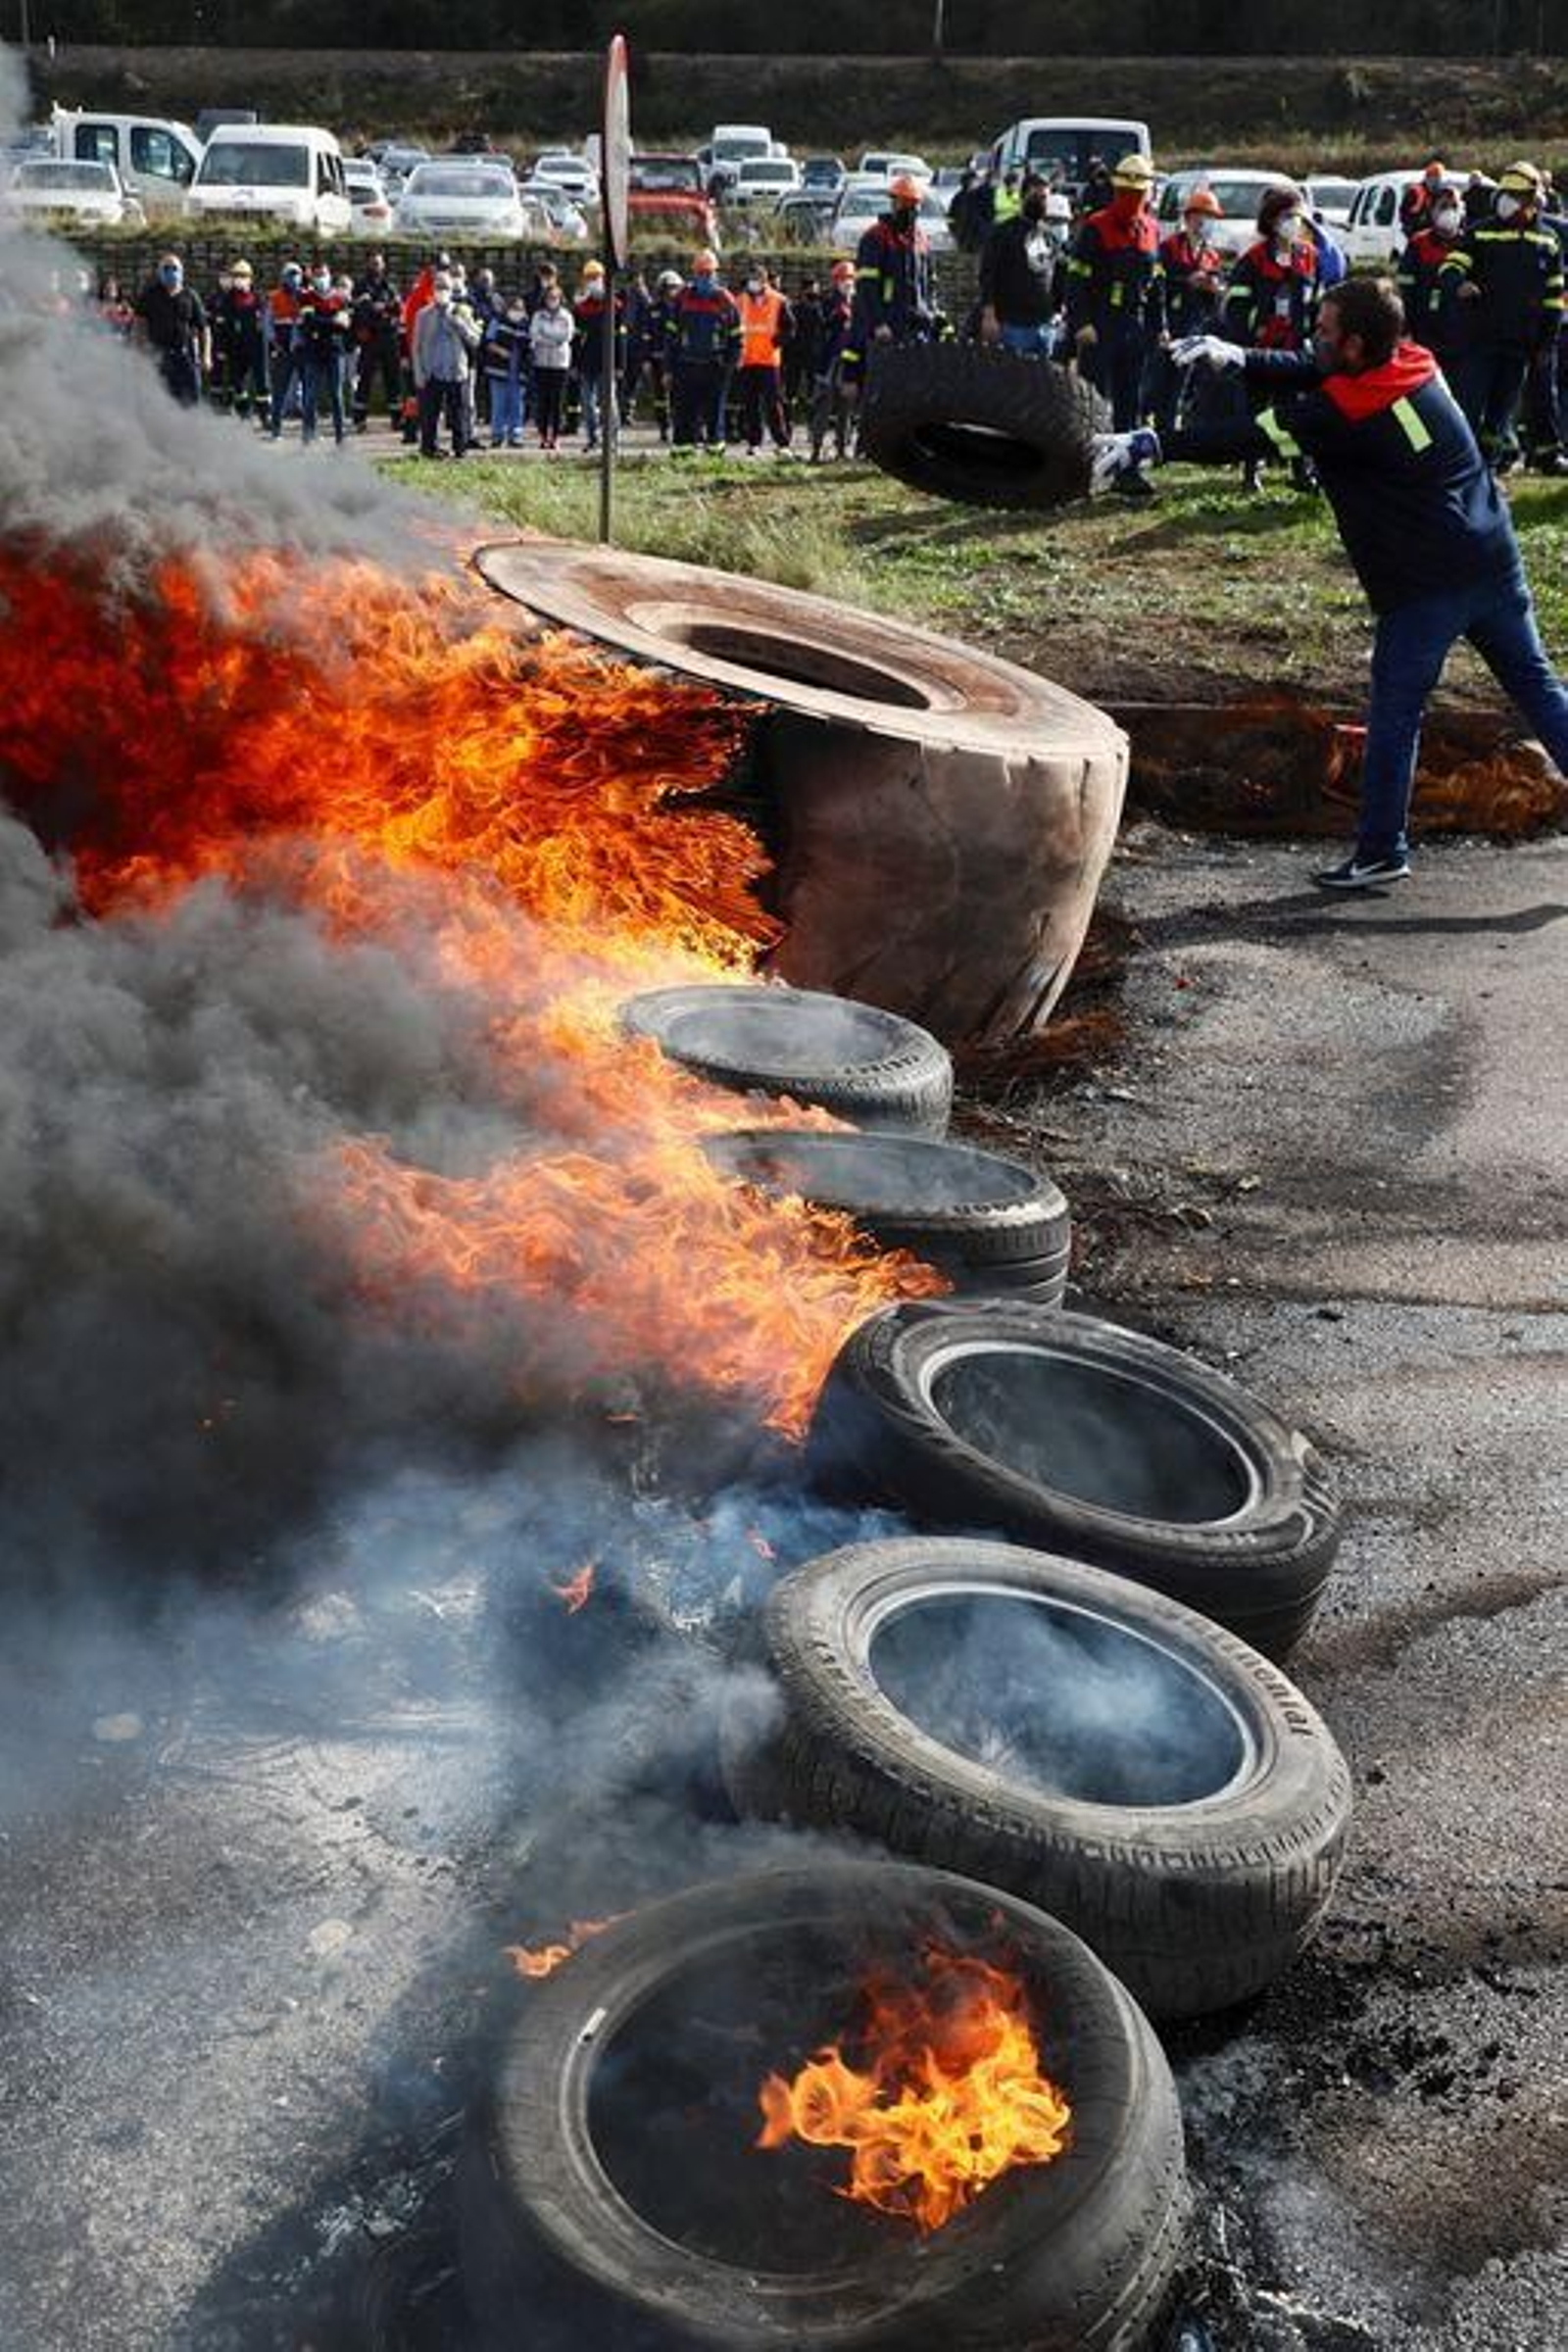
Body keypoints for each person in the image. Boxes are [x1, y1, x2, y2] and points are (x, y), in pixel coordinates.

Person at [1095, 275, 1568, 889]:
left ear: (1356, 344)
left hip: (1425, 586)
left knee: (1396, 717)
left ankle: (1380, 851)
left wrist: (1153, 442)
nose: (1312, 337)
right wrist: (1242, 358)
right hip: (1492, 561)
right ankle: (1381, 847)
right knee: (1538, 690)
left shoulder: (1347, 415)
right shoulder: (1416, 361)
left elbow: (1252, 435)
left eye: (1324, 330)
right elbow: (1318, 371)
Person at [1441, 161, 1565, 471]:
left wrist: (1545, 344)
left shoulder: (1548, 240)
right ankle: (1458, 467)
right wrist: (1459, 284)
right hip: (1480, 341)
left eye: (1514, 195)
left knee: (1500, 414)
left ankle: (1487, 466)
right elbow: (1450, 267)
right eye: (1503, 193)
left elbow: (1554, 298)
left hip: (1521, 345)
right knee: (1467, 406)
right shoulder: (1481, 233)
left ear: (1532, 201)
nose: (1505, 200)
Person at [1223, 183, 1322, 490]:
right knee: (1254, 412)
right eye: (1288, 216)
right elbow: (1236, 307)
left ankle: (1300, 472)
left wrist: (1313, 336)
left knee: (1295, 413)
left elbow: (1317, 302)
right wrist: (1251, 337)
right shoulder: (1253, 260)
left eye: (1298, 216)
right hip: (1259, 350)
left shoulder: (1308, 256)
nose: (1295, 222)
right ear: (1272, 220)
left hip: (1295, 350)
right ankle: (1250, 472)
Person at [1064, 152, 1160, 431]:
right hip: (1100, 322)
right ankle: (1089, 460)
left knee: (1130, 398)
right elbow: (1076, 280)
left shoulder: (1151, 229)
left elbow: (1156, 282)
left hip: (1135, 323)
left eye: (1138, 192)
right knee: (1092, 398)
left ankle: (1125, 466)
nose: (1132, 199)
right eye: (1126, 192)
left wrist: (1159, 325)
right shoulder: (1096, 226)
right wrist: (1081, 322)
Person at [842, 172, 935, 396]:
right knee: (881, 392)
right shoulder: (875, 238)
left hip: (915, 326)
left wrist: (932, 312)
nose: (910, 210)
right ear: (894, 204)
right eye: (904, 203)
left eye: (914, 205)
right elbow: (866, 288)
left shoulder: (920, 239)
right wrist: (879, 322)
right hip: (886, 327)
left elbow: (929, 282)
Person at [978, 171, 1063, 357]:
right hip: (1012, 324)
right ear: (1023, 197)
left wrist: (1059, 313)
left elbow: (1056, 275)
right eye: (1035, 196)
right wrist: (989, 314)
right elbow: (987, 274)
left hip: (1045, 324)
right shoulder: (1003, 232)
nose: (1041, 202)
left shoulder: (1050, 236)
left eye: (1044, 197)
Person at [667, 248, 741, 453]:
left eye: (708, 273)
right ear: (694, 273)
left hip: (715, 366)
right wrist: (668, 368)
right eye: (701, 273)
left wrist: (729, 366)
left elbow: (736, 337)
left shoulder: (726, 300)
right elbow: (671, 336)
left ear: (716, 274)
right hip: (686, 364)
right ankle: (684, 452)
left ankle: (714, 452)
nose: (705, 277)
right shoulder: (682, 298)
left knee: (714, 413)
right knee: (684, 412)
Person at [411, 269, 480, 459]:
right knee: (429, 415)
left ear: (451, 290)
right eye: (438, 287)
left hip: (455, 370)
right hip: (432, 371)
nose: (441, 291)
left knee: (458, 412)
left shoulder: (462, 311)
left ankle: (460, 448)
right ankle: (429, 448)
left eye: (445, 287)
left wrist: (460, 323)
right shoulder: (423, 315)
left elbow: (475, 339)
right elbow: (416, 346)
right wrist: (419, 373)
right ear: (433, 290)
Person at [132, 252, 208, 407]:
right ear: (160, 272)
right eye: (166, 268)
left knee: (191, 399)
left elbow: (204, 329)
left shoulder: (190, 296)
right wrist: (139, 350)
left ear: (181, 271)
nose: (171, 272)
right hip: (159, 356)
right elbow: (139, 323)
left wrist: (206, 355)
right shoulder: (150, 295)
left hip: (185, 357)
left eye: (174, 268)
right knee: (160, 400)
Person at [736, 263, 793, 454]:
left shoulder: (779, 300)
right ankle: (754, 443)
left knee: (773, 404)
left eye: (757, 279)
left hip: (769, 361)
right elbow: (734, 326)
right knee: (750, 405)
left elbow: (790, 327)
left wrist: (775, 343)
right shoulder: (740, 300)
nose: (753, 283)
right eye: (751, 279)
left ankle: (782, 443)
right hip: (747, 360)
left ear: (764, 280)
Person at [294, 263, 354, 446]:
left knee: (336, 395)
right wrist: (331, 322)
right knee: (310, 394)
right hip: (313, 352)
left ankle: (340, 436)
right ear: (312, 277)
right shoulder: (306, 298)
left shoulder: (339, 298)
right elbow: (307, 324)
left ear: (330, 275)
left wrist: (321, 323)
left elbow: (344, 325)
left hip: (334, 352)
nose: (321, 277)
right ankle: (308, 434)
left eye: (324, 274)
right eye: (318, 274)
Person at [809, 258, 858, 463]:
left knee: (846, 409)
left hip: (850, 364)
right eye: (843, 278)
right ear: (835, 280)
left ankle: (841, 450)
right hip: (829, 363)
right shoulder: (827, 301)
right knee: (824, 406)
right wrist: (836, 316)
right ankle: (816, 449)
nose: (847, 282)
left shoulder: (859, 303)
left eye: (850, 278)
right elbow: (820, 328)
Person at [572, 260, 623, 453]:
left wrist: (620, 364)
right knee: (586, 403)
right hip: (587, 362)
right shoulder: (580, 308)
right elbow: (576, 339)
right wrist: (574, 364)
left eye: (597, 277)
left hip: (608, 361)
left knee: (609, 403)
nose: (593, 281)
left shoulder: (615, 305)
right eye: (590, 278)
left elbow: (621, 337)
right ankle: (592, 438)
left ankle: (612, 441)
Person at [212, 257, 268, 423]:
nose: (240, 279)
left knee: (262, 384)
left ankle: (265, 415)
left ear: (250, 278)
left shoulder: (259, 298)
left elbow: (266, 324)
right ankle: (244, 413)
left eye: (243, 276)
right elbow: (221, 327)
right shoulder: (227, 300)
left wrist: (270, 345)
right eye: (236, 276)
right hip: (236, 347)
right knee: (238, 384)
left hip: (257, 347)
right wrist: (221, 348)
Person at [352, 252, 403, 432]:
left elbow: (398, 309)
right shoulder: (360, 286)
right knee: (364, 379)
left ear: (384, 266)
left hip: (389, 338)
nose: (376, 267)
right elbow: (362, 310)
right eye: (373, 263)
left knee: (393, 379)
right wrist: (381, 309)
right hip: (370, 338)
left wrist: (381, 308)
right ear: (367, 265)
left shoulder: (390, 286)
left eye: (378, 264)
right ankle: (359, 419)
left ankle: (397, 419)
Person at [528, 281, 573, 452]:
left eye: (555, 297)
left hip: (560, 364)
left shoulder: (566, 316)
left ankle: (555, 437)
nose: (552, 300)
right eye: (549, 297)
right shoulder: (538, 316)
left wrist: (547, 337)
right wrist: (552, 340)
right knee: (543, 402)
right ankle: (543, 436)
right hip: (541, 362)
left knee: (557, 402)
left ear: (560, 299)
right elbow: (534, 334)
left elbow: (566, 336)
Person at [483, 291, 529, 449]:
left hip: (519, 371)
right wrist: (501, 351)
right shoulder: (497, 321)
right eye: (515, 307)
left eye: (520, 308)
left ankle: (515, 435)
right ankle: (497, 435)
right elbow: (488, 342)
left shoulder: (526, 324)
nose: (518, 311)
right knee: (498, 404)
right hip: (499, 370)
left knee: (517, 404)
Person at [265, 260, 306, 437]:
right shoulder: (274, 297)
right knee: (279, 391)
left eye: (297, 274)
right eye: (290, 274)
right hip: (282, 349)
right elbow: (267, 324)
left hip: (303, 350)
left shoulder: (306, 296)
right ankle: (276, 430)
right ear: (283, 277)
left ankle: (309, 431)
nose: (294, 278)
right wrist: (275, 344)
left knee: (308, 391)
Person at [1399, 158, 1448, 243]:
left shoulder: (1439, 194)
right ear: (1429, 178)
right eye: (1437, 178)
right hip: (1416, 233)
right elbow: (1404, 213)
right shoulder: (1415, 191)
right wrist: (1410, 230)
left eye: (1440, 179)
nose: (1439, 182)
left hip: (1433, 235)